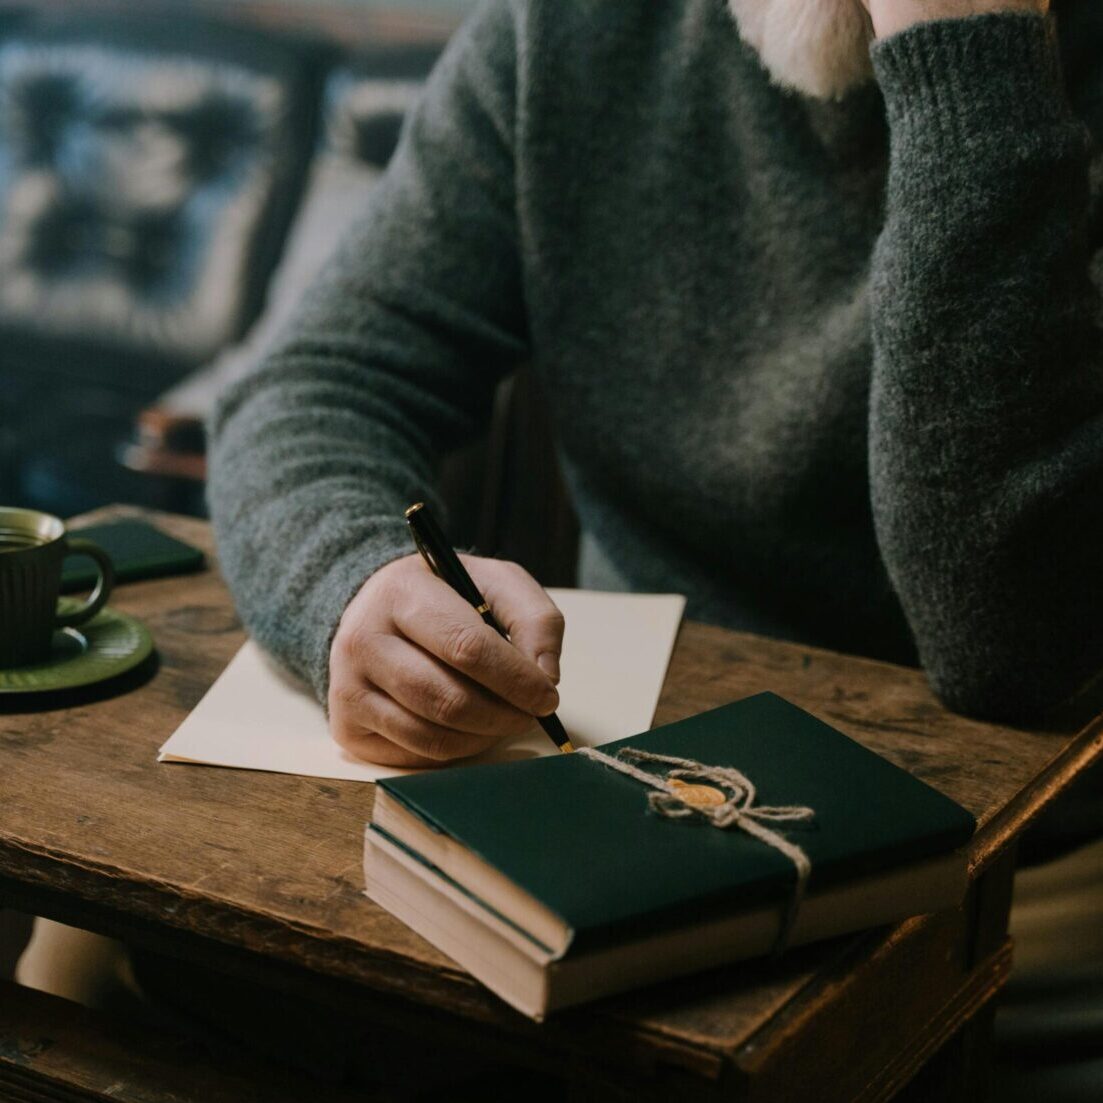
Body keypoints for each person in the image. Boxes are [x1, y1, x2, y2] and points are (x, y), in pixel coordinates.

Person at [209, 0, 1103, 771]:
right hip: (628, 763)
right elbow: (317, 384)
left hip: (1019, 851)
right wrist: (348, 578)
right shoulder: (574, 27)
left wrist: (972, 67)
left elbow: (1014, 655)